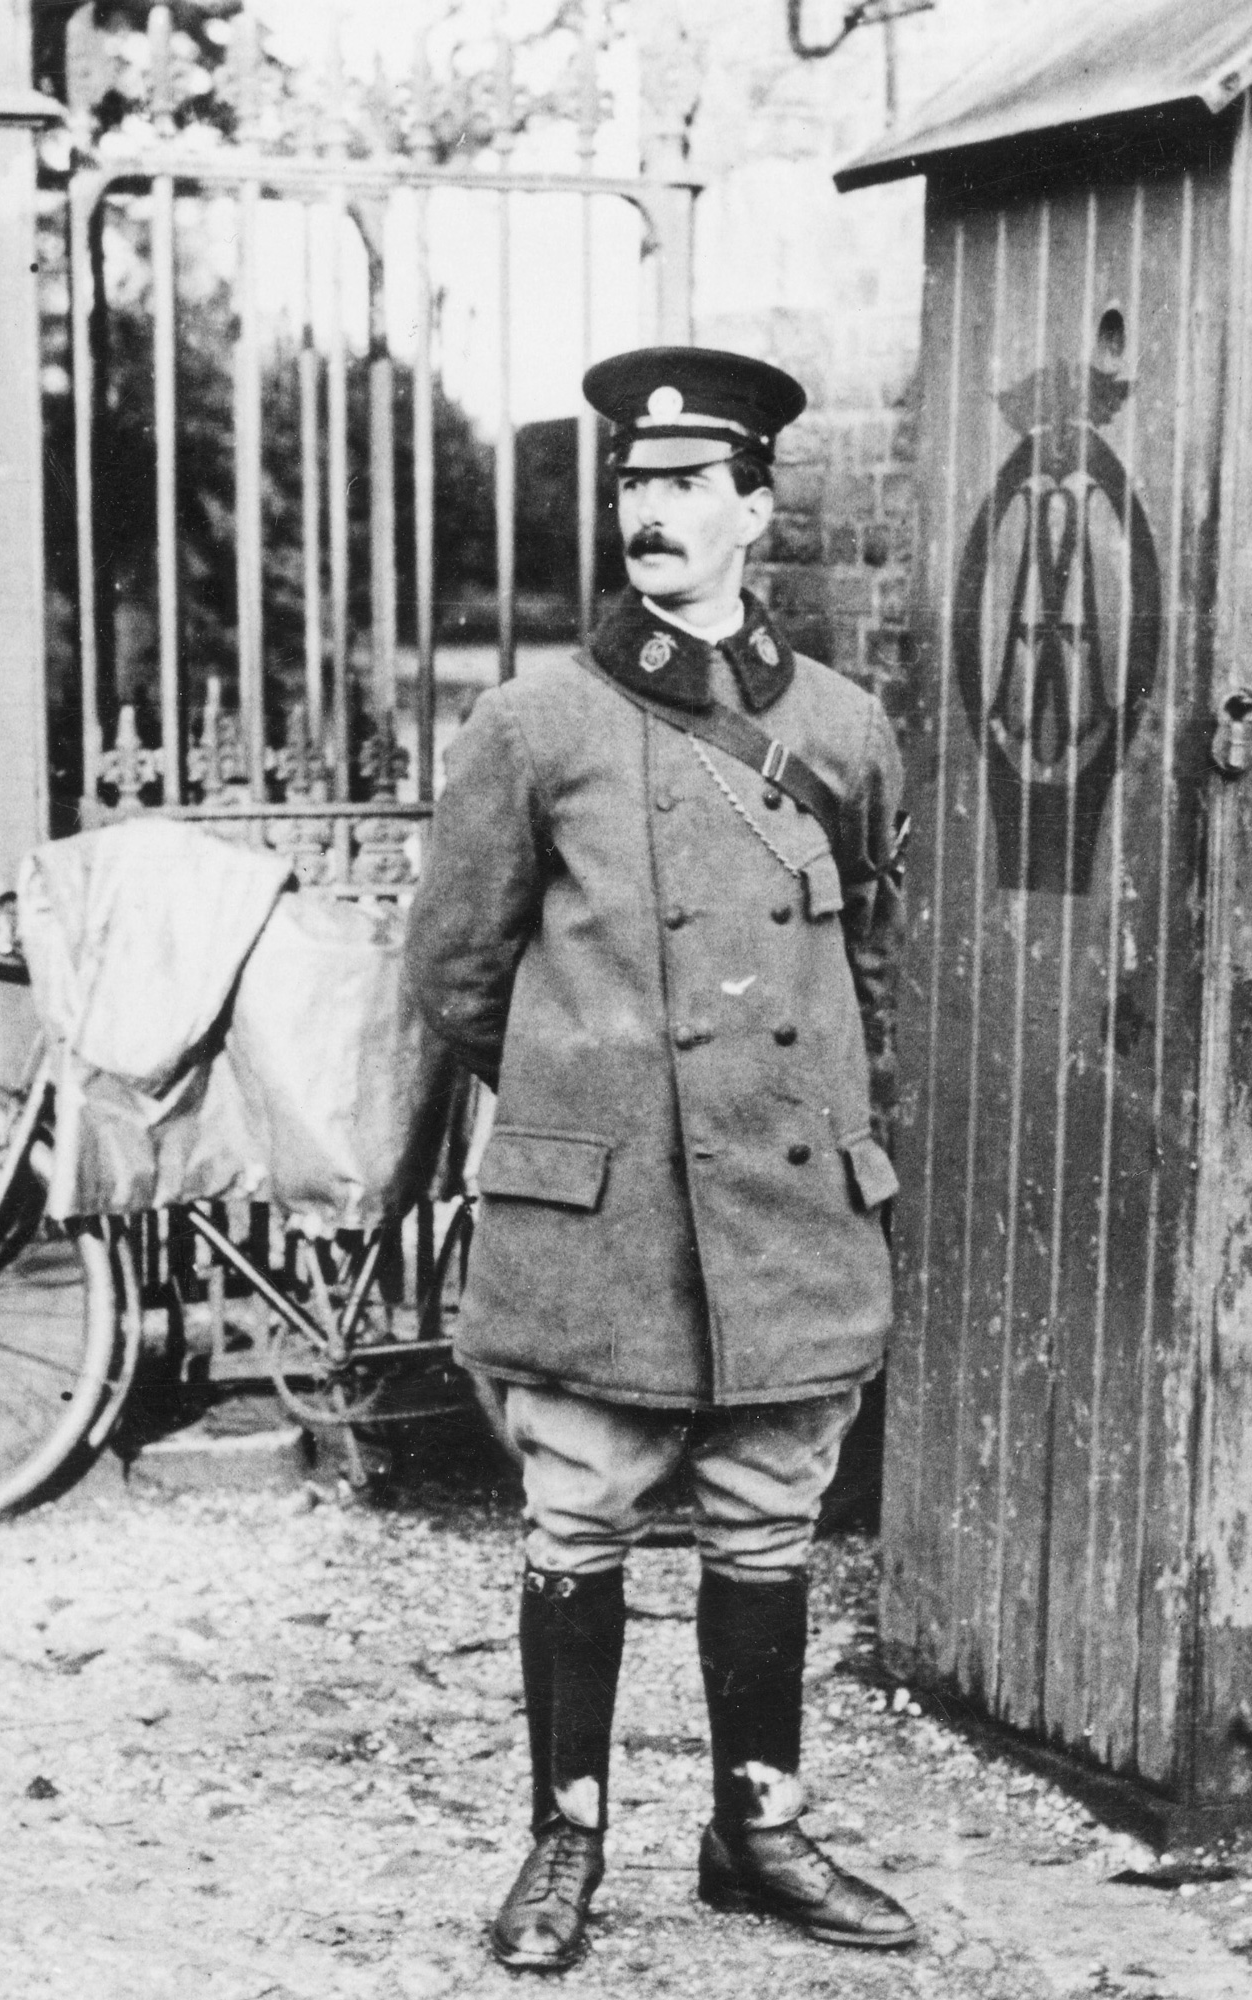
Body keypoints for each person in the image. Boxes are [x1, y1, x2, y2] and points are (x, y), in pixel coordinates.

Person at [406, 345, 917, 1974]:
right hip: (603, 1212)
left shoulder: (840, 728)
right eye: (632, 483)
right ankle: (567, 1837)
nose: (651, 510)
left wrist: (806, 1135)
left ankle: (755, 1825)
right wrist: (594, 1107)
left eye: (689, 484)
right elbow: (457, 978)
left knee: (771, 1520)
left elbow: (877, 975)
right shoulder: (537, 722)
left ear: (755, 509)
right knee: (583, 1523)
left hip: (785, 1205)